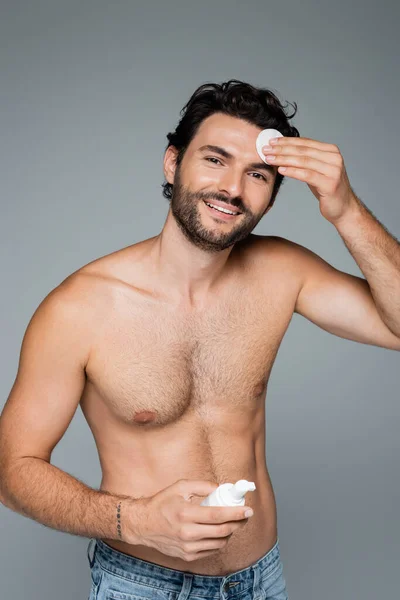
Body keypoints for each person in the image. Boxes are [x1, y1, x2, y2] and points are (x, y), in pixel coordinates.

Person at [1, 80, 399, 600]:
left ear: (273, 195)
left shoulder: (281, 270)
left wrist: (344, 209)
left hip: (261, 580)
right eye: (215, 159)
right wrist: (134, 520)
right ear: (173, 164)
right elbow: (12, 470)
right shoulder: (79, 309)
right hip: (142, 584)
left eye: (256, 174)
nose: (233, 188)